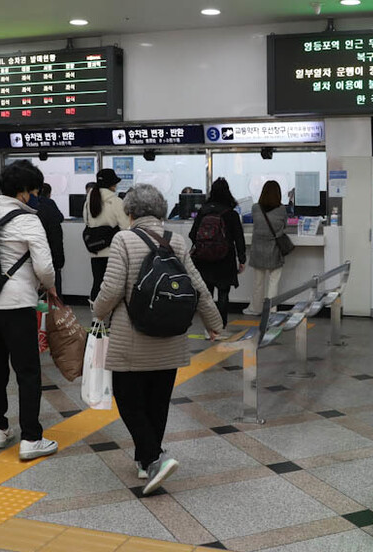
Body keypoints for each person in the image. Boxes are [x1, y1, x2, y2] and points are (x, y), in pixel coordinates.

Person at [93, 184, 223, 494]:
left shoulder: (123, 239)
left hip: (132, 337)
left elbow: (111, 290)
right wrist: (213, 323)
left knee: (126, 398)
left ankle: (154, 457)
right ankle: (144, 459)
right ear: (161, 211)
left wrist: (97, 313)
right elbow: (198, 287)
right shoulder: (176, 240)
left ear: (131, 212)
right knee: (157, 400)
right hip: (171, 337)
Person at [0, 161, 59, 461]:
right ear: (23, 193)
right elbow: (45, 267)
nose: (35, 196)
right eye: (34, 190)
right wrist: (49, 286)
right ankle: (31, 438)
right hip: (17, 304)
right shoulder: (28, 221)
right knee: (27, 371)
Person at [189, 178, 246, 331]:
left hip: (204, 260)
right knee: (223, 294)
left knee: (206, 296)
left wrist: (205, 245)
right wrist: (242, 259)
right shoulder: (231, 214)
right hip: (225, 259)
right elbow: (239, 238)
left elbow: (192, 234)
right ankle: (220, 327)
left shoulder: (203, 211)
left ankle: (209, 328)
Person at [84, 168, 129, 300]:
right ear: (112, 184)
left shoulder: (89, 200)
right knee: (114, 286)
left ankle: (97, 317)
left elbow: (87, 222)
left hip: (95, 250)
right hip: (113, 251)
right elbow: (126, 228)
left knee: (97, 283)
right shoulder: (116, 202)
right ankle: (112, 317)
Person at [244, 181, 288, 316]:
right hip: (274, 249)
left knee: (258, 282)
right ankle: (271, 310)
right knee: (274, 282)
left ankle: (255, 309)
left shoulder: (255, 208)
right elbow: (284, 226)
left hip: (258, 249)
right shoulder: (282, 209)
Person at [36, 182, 65, 296]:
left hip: (34, 256)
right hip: (51, 253)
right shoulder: (49, 205)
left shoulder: (29, 206)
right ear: (49, 194)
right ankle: (56, 311)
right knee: (54, 287)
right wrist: (59, 261)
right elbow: (60, 218)